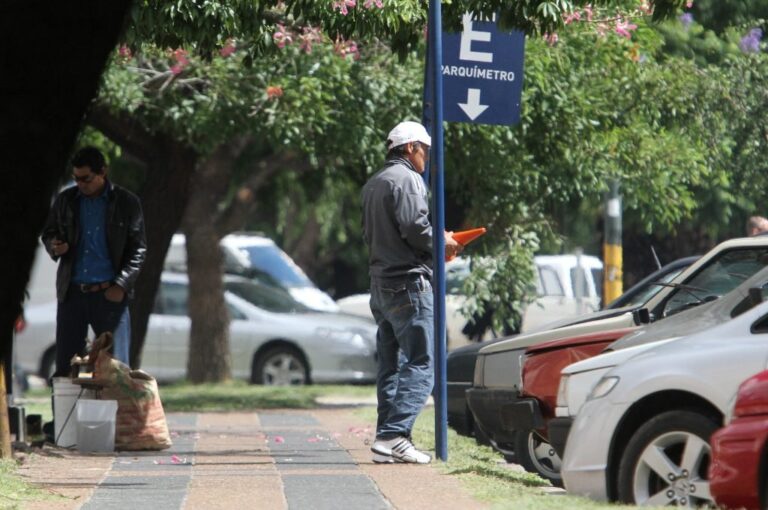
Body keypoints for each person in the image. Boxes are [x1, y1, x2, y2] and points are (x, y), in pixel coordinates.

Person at [362, 121, 462, 464]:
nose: (426, 157)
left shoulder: (374, 183)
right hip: (407, 284)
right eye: (425, 150)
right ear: (410, 148)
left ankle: (385, 439)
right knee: (423, 361)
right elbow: (416, 230)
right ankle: (395, 434)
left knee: (390, 365)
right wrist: (444, 242)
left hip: (380, 284)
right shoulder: (407, 179)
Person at [42, 146, 146, 378]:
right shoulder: (66, 200)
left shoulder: (127, 202)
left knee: (116, 369)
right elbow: (48, 233)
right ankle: (66, 404)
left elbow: (138, 250)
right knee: (66, 368)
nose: (80, 184)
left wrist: (121, 285)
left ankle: (116, 404)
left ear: (103, 172)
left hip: (109, 294)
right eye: (76, 178)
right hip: (72, 294)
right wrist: (55, 246)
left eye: (86, 179)